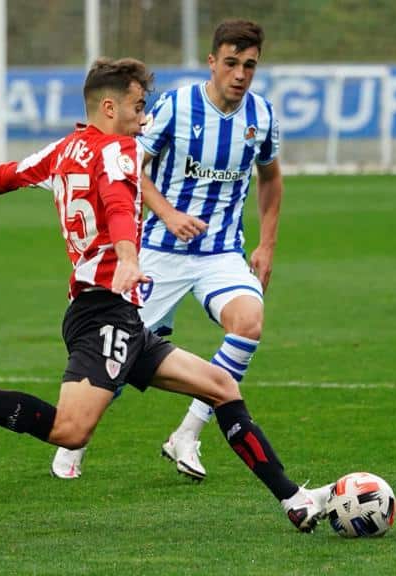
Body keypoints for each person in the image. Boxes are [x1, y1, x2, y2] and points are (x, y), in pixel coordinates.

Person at [0, 57, 332, 533]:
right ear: (109, 107)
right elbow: (115, 202)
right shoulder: (120, 151)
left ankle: (293, 499)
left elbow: (11, 173)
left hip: (116, 314)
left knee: (221, 388)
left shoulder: (65, 148)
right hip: (102, 313)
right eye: (138, 106)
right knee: (69, 430)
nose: (144, 116)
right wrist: (129, 257)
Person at [52, 19, 283, 481]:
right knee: (117, 351)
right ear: (212, 61)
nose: (240, 74)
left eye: (250, 66)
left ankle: (188, 433)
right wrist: (169, 214)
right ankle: (77, 436)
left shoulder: (262, 116)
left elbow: (271, 178)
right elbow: (130, 163)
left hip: (221, 254)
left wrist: (266, 244)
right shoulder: (176, 107)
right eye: (232, 63)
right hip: (158, 249)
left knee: (249, 323)